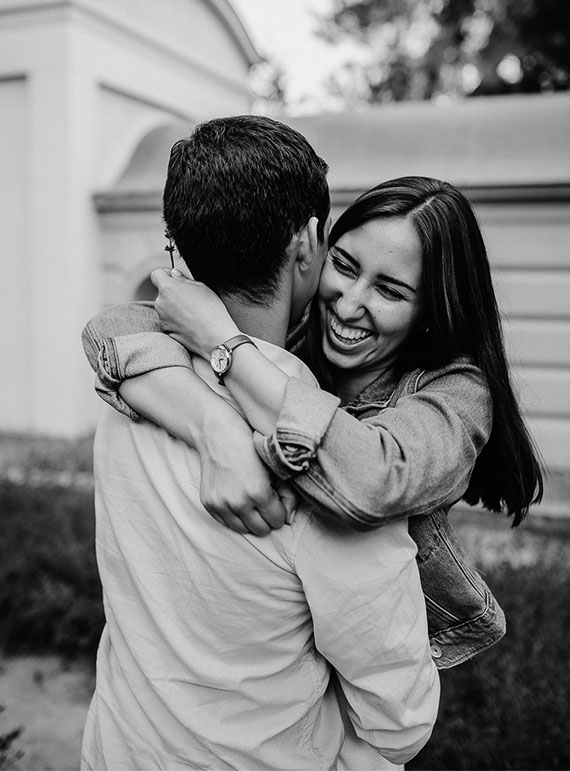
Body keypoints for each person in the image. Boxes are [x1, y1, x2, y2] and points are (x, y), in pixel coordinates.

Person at [80, 115, 439, 770]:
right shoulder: (325, 453)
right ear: (307, 242)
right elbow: (399, 713)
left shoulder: (127, 392)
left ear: (179, 248)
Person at [84, 175, 545, 672]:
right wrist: (216, 430)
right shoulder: (299, 332)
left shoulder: (458, 391)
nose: (347, 305)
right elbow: (113, 330)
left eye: (389, 291)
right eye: (344, 266)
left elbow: (373, 478)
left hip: (371, 665)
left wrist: (223, 340)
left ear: (434, 308)